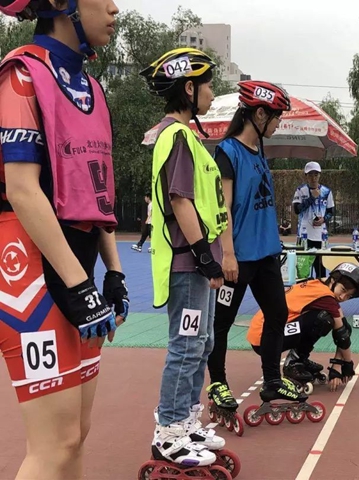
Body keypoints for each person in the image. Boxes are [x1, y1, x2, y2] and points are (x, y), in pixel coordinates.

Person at [0, 1, 128, 479]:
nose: (115, 8)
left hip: (82, 262)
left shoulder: (91, 86)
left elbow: (97, 195)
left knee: (76, 435)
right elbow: (22, 189)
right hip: (29, 267)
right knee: (53, 444)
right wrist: (79, 285)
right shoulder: (21, 75)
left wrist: (113, 272)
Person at [140, 48, 229, 466]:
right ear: (189, 89)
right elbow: (180, 200)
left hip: (197, 262)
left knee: (202, 342)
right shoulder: (175, 136)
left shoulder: (187, 136)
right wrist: (205, 257)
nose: (211, 92)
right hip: (188, 262)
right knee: (187, 345)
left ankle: (187, 420)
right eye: (208, 85)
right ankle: (169, 431)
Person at [206, 80, 307, 420]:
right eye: (276, 117)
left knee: (277, 314)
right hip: (238, 258)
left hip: (266, 254)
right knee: (222, 323)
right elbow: (224, 208)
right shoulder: (228, 152)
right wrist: (228, 254)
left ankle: (272, 380)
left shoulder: (259, 150)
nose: (278, 123)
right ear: (259, 114)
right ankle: (217, 383)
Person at [247, 262, 359, 393]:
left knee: (328, 320)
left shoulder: (317, 284)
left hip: (263, 332)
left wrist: (337, 363)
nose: (343, 297)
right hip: (263, 337)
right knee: (323, 319)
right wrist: (347, 363)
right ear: (333, 280)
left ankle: (300, 358)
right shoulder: (326, 298)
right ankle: (294, 362)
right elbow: (342, 335)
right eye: (343, 290)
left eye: (348, 296)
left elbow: (344, 328)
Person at [292, 161, 335, 278]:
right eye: (310, 175)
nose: (313, 178)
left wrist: (323, 220)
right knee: (302, 271)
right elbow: (297, 209)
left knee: (320, 270)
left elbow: (331, 212)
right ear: (306, 176)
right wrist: (312, 198)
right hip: (304, 235)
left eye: (316, 174)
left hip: (321, 236)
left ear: (319, 175)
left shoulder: (326, 191)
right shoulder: (300, 190)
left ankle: (320, 289)